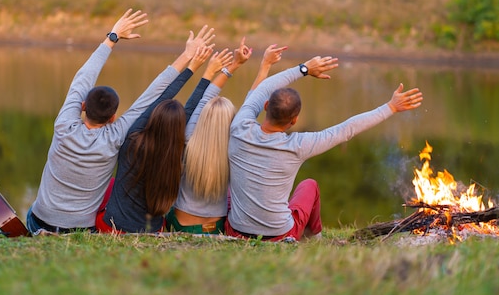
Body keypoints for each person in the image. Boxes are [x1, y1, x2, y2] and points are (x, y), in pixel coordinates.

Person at [26, 8, 215, 235]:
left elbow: (83, 78)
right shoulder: (117, 135)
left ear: (82, 106)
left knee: (32, 211)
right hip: (79, 230)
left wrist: (112, 37)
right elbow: (153, 95)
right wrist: (187, 57)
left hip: (41, 222)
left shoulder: (64, 125)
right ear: (113, 117)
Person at [225, 55, 423, 241]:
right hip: (280, 234)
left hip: (235, 230)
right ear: (294, 120)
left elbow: (264, 87)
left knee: (228, 187)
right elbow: (347, 129)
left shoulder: (239, 127)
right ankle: (314, 238)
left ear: (266, 105)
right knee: (309, 185)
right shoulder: (298, 145)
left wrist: (304, 69)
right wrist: (391, 107)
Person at [95, 45, 234, 233]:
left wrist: (193, 67)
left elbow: (162, 96)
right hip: (152, 230)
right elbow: (190, 110)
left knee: (108, 186)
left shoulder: (132, 140)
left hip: (113, 227)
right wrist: (208, 73)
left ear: (153, 117)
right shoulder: (176, 155)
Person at [166, 43, 288, 234]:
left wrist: (234, 65)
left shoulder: (189, 137)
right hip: (215, 228)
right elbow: (253, 103)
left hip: (177, 223)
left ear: (203, 117)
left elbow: (207, 96)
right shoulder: (237, 144)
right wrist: (265, 65)